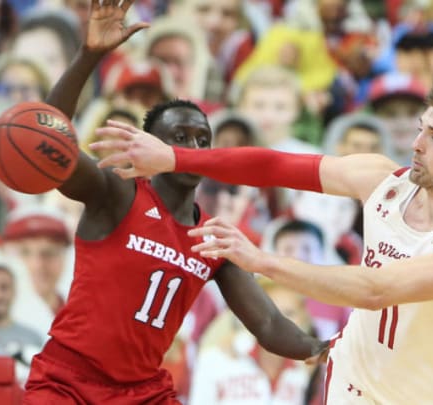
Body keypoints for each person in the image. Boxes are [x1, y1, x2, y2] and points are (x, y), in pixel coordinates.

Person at [93, 85, 433, 403]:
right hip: (354, 384)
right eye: (421, 130)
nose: (416, 144)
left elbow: (377, 290)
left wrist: (264, 261)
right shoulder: (380, 179)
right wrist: (176, 158)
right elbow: (275, 165)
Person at [23, 2, 327, 404]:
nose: (194, 146)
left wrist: (323, 350)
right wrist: (90, 54)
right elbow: (48, 144)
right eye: (179, 137)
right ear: (149, 146)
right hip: (69, 380)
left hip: (143, 391)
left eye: (203, 139)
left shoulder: (213, 238)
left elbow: (269, 324)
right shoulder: (119, 192)